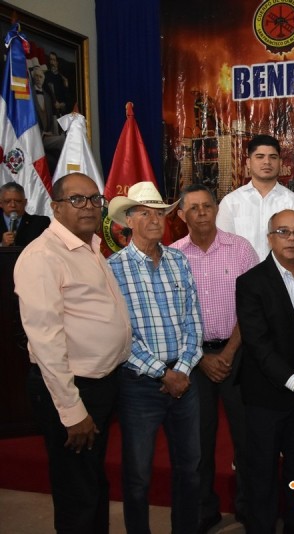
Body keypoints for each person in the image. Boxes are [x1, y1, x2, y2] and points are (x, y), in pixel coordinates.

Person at [14, 173, 130, 533]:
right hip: (71, 388)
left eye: (95, 199)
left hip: (100, 383)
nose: (89, 207)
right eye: (77, 200)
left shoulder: (90, 246)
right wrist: (71, 410)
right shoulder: (42, 256)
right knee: (77, 491)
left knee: (92, 481)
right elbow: (46, 341)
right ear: (55, 207)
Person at [107, 182, 203, 534]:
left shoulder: (179, 260)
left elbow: (194, 320)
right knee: (138, 476)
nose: (154, 219)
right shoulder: (113, 268)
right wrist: (163, 374)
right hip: (140, 386)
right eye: (144, 213)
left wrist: (182, 369)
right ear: (128, 220)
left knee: (190, 469)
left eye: (159, 213)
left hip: (185, 380)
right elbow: (120, 334)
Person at [236, 209, 294, 534]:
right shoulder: (250, 282)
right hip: (267, 391)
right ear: (270, 238)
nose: (292, 238)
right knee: (262, 469)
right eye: (283, 232)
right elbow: (258, 345)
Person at [171, 184, 259, 532]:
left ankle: (251, 509)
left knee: (247, 437)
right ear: (181, 215)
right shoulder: (173, 256)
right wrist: (201, 357)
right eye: (193, 208)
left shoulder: (241, 249)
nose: (202, 213)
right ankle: (203, 510)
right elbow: (173, 315)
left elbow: (253, 307)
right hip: (194, 361)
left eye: (207, 206)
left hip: (238, 354)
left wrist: (228, 352)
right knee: (198, 441)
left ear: (217, 209)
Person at [217, 134, 294, 261]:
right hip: (243, 273)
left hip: (283, 274)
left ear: (280, 163)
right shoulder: (230, 202)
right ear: (248, 163)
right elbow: (223, 250)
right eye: (260, 156)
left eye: (273, 157)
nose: (267, 162)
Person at [0, 182, 50, 248]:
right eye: (8, 201)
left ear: (25, 202)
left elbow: (47, 248)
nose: (13, 205)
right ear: (0, 203)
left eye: (18, 201)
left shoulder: (40, 223)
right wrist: (2, 245)